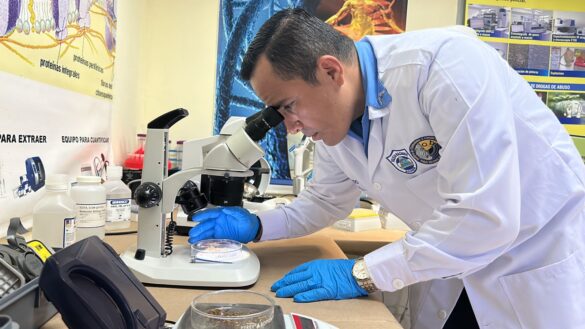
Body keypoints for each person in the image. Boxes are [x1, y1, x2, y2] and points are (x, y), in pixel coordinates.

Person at [188, 8, 585, 329]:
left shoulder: (443, 69)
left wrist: (363, 273)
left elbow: (485, 217)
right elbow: (326, 200)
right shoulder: (336, 124)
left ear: (330, 71)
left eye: (288, 106)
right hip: (452, 270)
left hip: (532, 264)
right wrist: (258, 226)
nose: (289, 125)